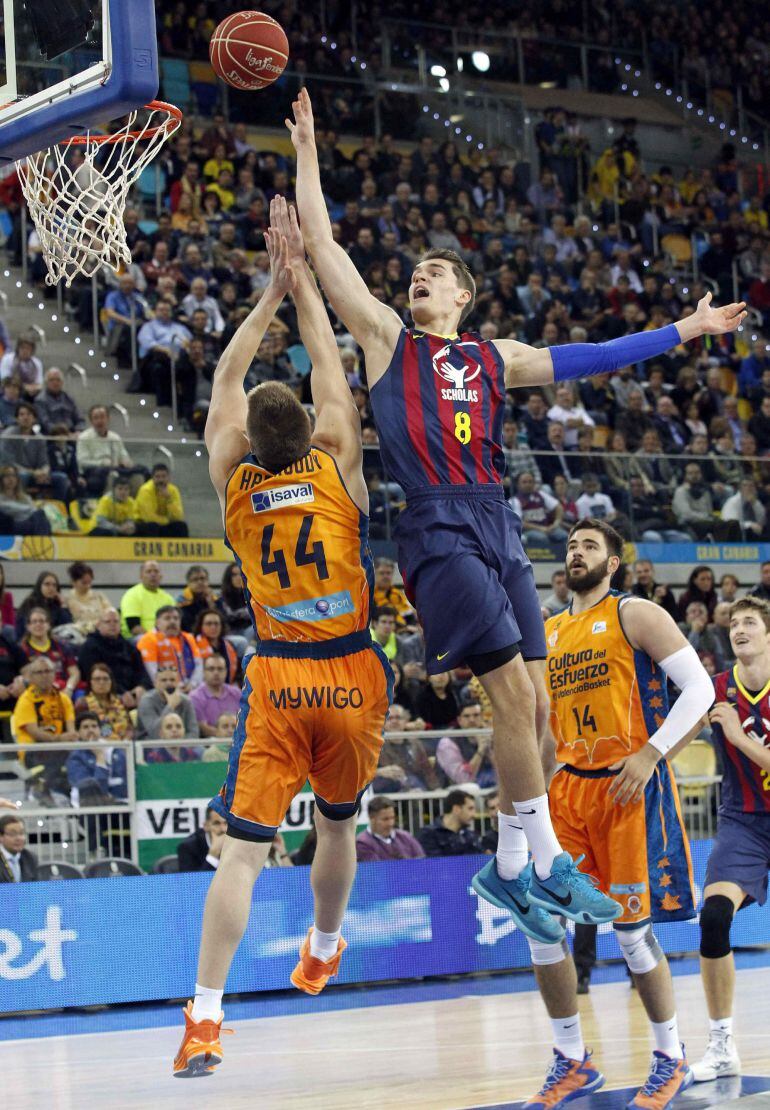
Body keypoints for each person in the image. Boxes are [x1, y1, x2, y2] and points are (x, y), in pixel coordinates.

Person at [289, 85, 742, 942]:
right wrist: (308, 147)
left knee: (535, 709)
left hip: (497, 520)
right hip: (434, 522)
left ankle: (505, 870)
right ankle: (544, 864)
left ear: (463, 294)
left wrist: (683, 330)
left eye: (435, 273)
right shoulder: (388, 339)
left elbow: (597, 355)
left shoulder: (498, 357)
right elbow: (321, 244)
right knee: (506, 694)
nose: (418, 276)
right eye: (414, 272)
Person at [174, 198, 392, 1078]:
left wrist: (265, 297)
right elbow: (334, 367)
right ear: (308, 429)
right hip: (352, 675)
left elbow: (226, 381)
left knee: (243, 851)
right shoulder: (337, 459)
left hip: (280, 679)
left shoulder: (230, 477)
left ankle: (205, 1017)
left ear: (245, 443)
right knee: (337, 827)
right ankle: (326, 946)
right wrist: (302, 286)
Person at [518, 518, 713, 1108]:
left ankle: (670, 1057)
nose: (577, 553)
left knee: (631, 934)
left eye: (590, 546)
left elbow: (701, 692)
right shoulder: (549, 629)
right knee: (541, 927)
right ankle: (571, 1058)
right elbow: (543, 729)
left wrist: (651, 753)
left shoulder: (636, 614)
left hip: (629, 789)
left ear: (614, 562)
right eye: (572, 545)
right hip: (568, 794)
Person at [691, 597, 770, 1083]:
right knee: (714, 917)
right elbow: (677, 730)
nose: (738, 628)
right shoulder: (715, 690)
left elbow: (746, 747)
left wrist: (740, 741)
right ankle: (721, 1045)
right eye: (733, 622)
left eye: (749, 622)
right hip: (743, 821)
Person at [11, 657, 77, 801]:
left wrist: (68, 738)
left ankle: (50, 790)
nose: (44, 675)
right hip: (33, 751)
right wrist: (59, 739)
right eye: (39, 672)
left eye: (48, 671)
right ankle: (43, 790)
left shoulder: (63, 699)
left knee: (73, 756)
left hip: (59, 750)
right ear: (31, 677)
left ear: (54, 674)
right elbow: (34, 732)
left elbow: (71, 730)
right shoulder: (26, 700)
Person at [77, 608, 148, 707]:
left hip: (133, 692)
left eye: (116, 621)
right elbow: (92, 676)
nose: (112, 625)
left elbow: (142, 671)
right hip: (104, 692)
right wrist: (122, 693)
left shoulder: (129, 646)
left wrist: (141, 686)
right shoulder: (89, 647)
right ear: (98, 625)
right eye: (107, 622)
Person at [66, 711, 128, 805]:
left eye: (94, 726)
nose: (91, 730)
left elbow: (126, 781)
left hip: (121, 805)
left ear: (100, 729)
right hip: (90, 809)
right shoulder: (75, 757)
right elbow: (92, 791)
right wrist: (100, 758)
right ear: (78, 732)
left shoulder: (115, 750)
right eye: (85, 727)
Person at [137, 606, 203, 690]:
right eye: (167, 618)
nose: (172, 621)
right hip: (161, 690)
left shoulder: (188, 638)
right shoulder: (148, 640)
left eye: (176, 618)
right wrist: (173, 687)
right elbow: (151, 671)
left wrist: (193, 685)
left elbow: (199, 665)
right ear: (157, 622)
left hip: (191, 687)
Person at [18, 608, 79, 695]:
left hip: (64, 690)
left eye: (42, 621)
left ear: (48, 624)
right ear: (28, 626)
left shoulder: (62, 645)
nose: (38, 624)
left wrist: (69, 688)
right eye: (34, 622)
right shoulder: (21, 649)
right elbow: (25, 678)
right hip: (37, 692)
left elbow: (74, 673)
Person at [436, 701, 496, 787]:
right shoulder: (447, 743)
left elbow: (505, 773)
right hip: (456, 792)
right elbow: (463, 779)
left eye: (476, 715)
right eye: (467, 716)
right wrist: (481, 750)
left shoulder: (490, 735)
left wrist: (490, 750)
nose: (472, 720)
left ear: (482, 717)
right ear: (459, 720)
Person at [137, 666, 199, 743]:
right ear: (155, 683)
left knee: (200, 751)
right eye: (164, 680)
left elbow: (194, 733)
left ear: (178, 683)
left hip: (182, 746)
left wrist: (178, 745)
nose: (168, 683)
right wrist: (170, 706)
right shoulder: (146, 701)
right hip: (150, 746)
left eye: (172, 680)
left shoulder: (186, 701)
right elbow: (155, 734)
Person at [355, 795, 425, 861]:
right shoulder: (362, 843)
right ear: (371, 818)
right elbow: (377, 870)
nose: (390, 823)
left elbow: (422, 860)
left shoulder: (406, 836)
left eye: (392, 818)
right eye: (385, 819)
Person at [416, 789, 482, 856]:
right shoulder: (429, 834)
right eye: (470, 809)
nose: (474, 815)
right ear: (456, 809)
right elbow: (434, 864)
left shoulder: (470, 836)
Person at [120, 560, 175, 638]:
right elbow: (134, 628)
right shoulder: (132, 595)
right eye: (148, 572)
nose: (153, 575)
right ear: (141, 576)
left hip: (165, 637)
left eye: (156, 571)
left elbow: (175, 623)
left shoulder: (168, 598)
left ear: (161, 576)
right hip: (139, 638)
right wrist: (156, 640)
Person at [190, 655, 241, 738]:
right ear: (204, 672)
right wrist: (227, 736)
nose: (216, 673)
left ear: (225, 672)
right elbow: (203, 728)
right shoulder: (195, 697)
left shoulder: (236, 693)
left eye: (220, 669)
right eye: (211, 669)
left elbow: (245, 720)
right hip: (210, 744)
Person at [81, 662, 133, 740]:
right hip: (97, 746)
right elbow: (83, 732)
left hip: (125, 745)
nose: (101, 682)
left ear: (111, 682)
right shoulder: (83, 704)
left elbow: (130, 727)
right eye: (97, 679)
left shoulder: (121, 701)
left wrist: (126, 740)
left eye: (105, 679)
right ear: (90, 682)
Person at [135, 464, 189, 538]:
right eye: (157, 477)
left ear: (169, 478)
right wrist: (166, 521)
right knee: (152, 526)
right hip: (144, 524)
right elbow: (148, 517)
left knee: (181, 526)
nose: (161, 480)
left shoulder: (173, 490)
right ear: (152, 478)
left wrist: (169, 499)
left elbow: (178, 516)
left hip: (162, 524)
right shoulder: (145, 490)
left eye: (163, 476)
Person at [193, 608, 240, 683]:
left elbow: (238, 672)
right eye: (209, 624)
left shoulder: (230, 646)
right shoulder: (193, 645)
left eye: (216, 624)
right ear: (201, 626)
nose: (213, 627)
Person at [63, 561, 110, 634]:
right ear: (73, 582)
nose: (88, 586)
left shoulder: (99, 596)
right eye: (84, 583)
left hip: (101, 634)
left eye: (90, 582)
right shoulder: (66, 599)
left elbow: (110, 613)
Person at [177, 807, 229, 872]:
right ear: (206, 826)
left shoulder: (240, 843)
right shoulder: (187, 848)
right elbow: (193, 881)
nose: (223, 829)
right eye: (217, 823)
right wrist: (213, 855)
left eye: (226, 823)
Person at [372, 556, 413, 627]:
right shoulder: (367, 595)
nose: (385, 576)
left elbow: (409, 617)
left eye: (388, 573)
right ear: (374, 574)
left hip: (402, 632)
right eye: (382, 573)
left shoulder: (398, 595)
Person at [177, 565, 218, 633]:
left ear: (208, 581)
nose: (199, 582)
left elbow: (223, 623)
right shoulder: (182, 601)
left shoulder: (215, 599)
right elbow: (186, 626)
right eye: (195, 579)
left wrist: (211, 604)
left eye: (202, 579)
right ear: (188, 583)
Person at [0, 814, 38, 882]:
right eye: (12, 834)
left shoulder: (30, 857)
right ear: (1, 837)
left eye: (21, 833)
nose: (18, 838)